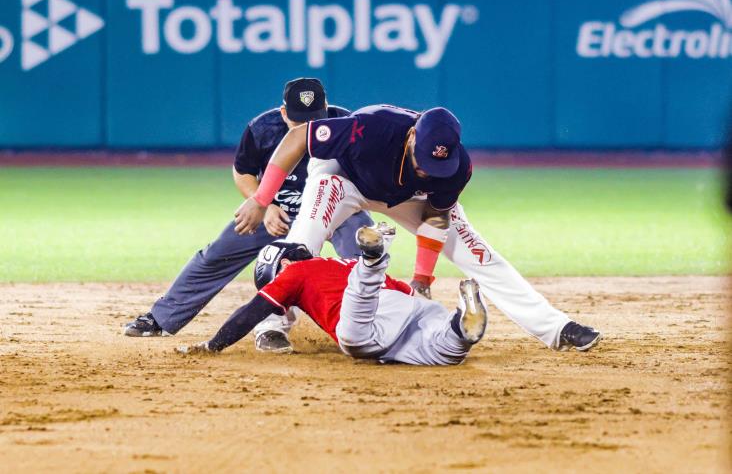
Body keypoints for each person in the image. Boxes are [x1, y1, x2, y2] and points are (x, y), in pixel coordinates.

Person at [233, 104, 601, 352]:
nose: (429, 168)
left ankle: (555, 329)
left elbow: (437, 217)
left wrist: (422, 276)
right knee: (302, 241)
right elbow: (298, 137)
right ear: (411, 137)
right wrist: (262, 198)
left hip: (410, 198)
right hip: (344, 179)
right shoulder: (369, 128)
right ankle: (272, 324)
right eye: (423, 160)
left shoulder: (455, 167)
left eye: (437, 165)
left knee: (479, 254)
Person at [123, 78, 373, 353]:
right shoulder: (262, 129)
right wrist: (263, 205)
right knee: (219, 253)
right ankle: (161, 318)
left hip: (335, 211)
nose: (305, 129)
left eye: (314, 120)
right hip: (278, 213)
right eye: (298, 121)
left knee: (365, 256)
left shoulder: (349, 126)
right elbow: (242, 172)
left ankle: (375, 321)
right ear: (283, 113)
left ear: (326, 108)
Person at [176, 223, 489, 366]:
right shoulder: (342, 262)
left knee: (355, 326)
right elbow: (407, 294)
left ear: (282, 264)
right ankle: (459, 327)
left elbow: (251, 311)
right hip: (407, 309)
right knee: (445, 352)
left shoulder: (293, 272)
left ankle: (375, 258)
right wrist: (424, 309)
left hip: (363, 324)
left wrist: (213, 345)